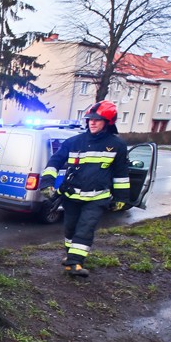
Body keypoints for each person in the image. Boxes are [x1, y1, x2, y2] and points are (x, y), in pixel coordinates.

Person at [39, 100, 130, 277]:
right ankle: (71, 256)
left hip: (97, 198)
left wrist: (121, 199)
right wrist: (47, 183)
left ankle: (75, 263)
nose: (92, 122)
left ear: (108, 122)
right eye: (90, 119)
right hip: (71, 196)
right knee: (70, 229)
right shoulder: (73, 142)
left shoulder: (117, 146)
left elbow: (121, 174)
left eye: (97, 119)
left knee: (85, 228)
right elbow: (54, 162)